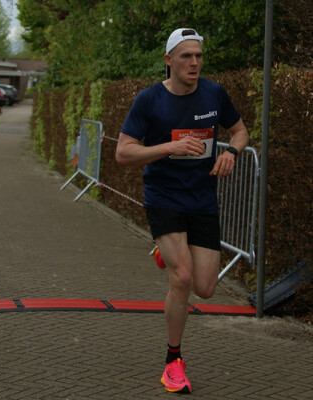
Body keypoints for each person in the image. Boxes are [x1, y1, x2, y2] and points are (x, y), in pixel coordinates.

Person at [115, 28, 249, 394]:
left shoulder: (214, 93)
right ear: (169, 60)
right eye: (187, 56)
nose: (194, 63)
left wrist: (231, 152)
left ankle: (166, 252)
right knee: (183, 280)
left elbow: (241, 132)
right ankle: (173, 360)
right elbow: (123, 152)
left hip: (202, 200)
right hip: (165, 198)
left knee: (205, 288)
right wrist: (166, 148)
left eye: (199, 56)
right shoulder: (149, 99)